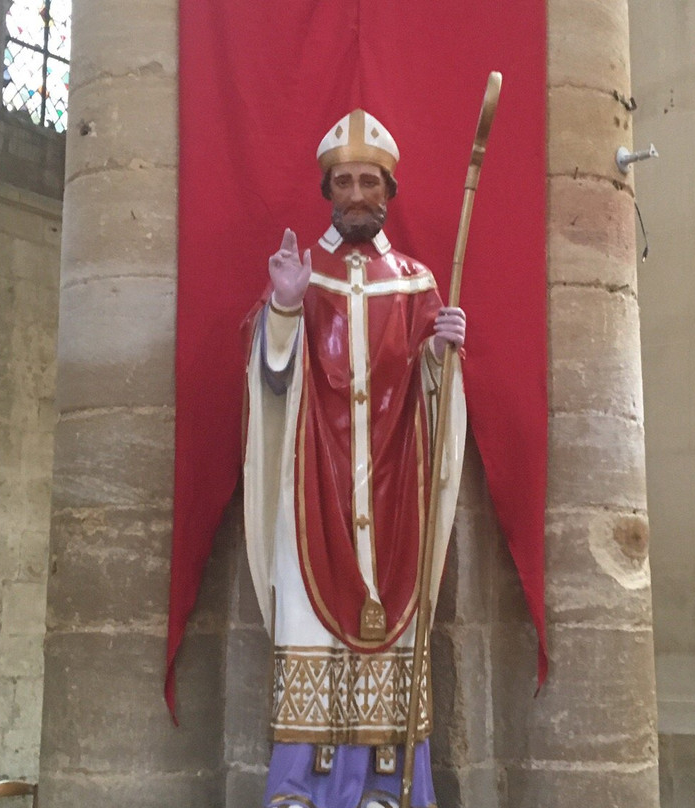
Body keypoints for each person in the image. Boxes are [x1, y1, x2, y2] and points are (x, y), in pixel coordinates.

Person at [243, 109, 467, 808]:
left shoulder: (417, 281)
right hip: (314, 494)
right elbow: (271, 384)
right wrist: (282, 309)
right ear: (328, 191)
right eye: (344, 181)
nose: (358, 193)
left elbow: (435, 400)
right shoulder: (301, 278)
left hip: (397, 498)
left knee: (394, 649)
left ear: (389, 189)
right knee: (310, 641)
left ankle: (383, 793)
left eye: (370, 180)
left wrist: (440, 351)